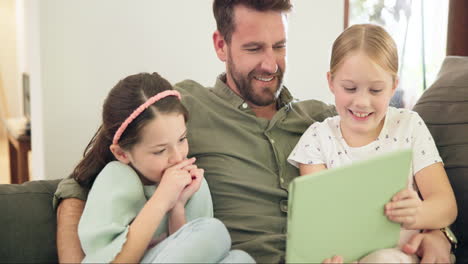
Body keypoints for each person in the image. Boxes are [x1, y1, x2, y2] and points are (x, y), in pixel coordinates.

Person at [54, 1, 455, 263]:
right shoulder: (182, 111)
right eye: (253, 49)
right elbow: (77, 184)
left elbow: (391, 184)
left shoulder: (325, 121)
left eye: (279, 47)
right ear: (220, 44)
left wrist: (439, 234)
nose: (270, 63)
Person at [288, 24, 457, 263]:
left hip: (403, 255)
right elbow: (318, 221)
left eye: (376, 90)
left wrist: (419, 213)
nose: (362, 102)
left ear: (393, 86)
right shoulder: (317, 139)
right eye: (350, 88)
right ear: (331, 81)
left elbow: (446, 205)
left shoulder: (408, 126)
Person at [71, 72, 254, 263]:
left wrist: (178, 206)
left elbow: (192, 252)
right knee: (213, 231)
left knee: (240, 259)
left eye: (182, 139)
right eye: (159, 151)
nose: (177, 157)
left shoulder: (193, 186)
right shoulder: (117, 178)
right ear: (122, 154)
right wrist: (162, 198)